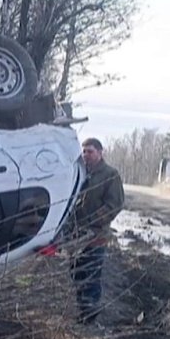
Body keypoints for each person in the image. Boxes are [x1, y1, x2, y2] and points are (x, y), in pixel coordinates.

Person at [69, 138, 124, 324]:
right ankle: (82, 308)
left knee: (91, 275)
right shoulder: (79, 173)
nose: (86, 155)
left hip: (95, 237)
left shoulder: (110, 175)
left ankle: (90, 315)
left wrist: (92, 221)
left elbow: (114, 205)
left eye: (90, 151)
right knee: (76, 273)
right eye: (84, 151)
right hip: (75, 237)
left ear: (100, 153)